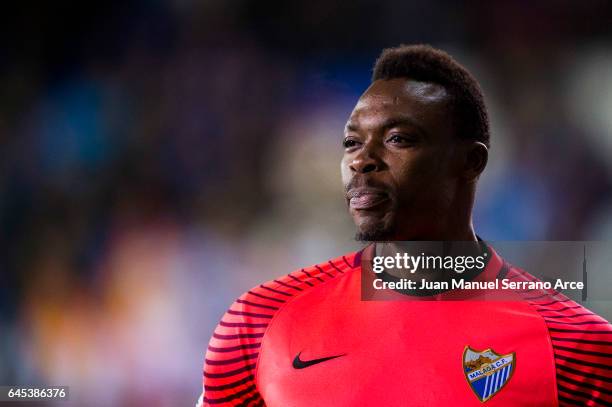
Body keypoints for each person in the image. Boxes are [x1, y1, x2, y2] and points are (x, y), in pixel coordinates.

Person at [197, 45, 612, 406]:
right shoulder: (256, 324)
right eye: (352, 143)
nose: (361, 160)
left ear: (470, 162)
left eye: (398, 138)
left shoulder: (575, 346)